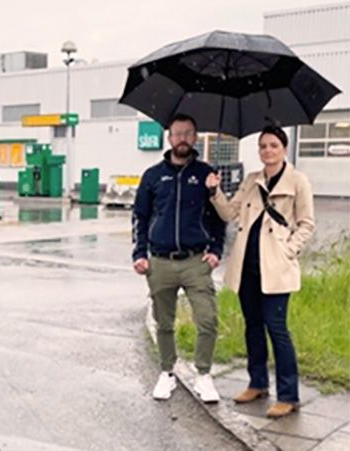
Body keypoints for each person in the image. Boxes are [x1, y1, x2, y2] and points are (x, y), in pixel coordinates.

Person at [205, 125, 315, 418]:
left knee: (277, 330)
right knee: (252, 326)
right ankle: (257, 383)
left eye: (273, 146)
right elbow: (230, 213)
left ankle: (289, 396)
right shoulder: (253, 180)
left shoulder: (297, 181)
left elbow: (306, 224)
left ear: (284, 149)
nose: (268, 151)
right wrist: (215, 191)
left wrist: (288, 250)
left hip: (276, 268)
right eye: (263, 146)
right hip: (247, 266)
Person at [132, 113, 225, 403]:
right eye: (177, 133)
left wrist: (216, 250)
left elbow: (219, 218)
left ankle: (204, 375)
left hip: (196, 261)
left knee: (208, 319)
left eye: (188, 133)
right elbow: (140, 216)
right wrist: (139, 253)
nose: (182, 138)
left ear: (195, 138)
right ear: (169, 138)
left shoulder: (206, 173)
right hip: (160, 262)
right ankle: (167, 372)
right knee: (164, 322)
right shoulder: (152, 175)